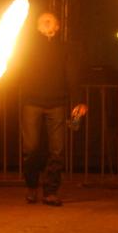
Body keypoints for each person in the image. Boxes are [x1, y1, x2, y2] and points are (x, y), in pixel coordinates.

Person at [18, 12, 87, 207]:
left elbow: (72, 76)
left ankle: (50, 191)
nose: (47, 24)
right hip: (31, 102)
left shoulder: (64, 49)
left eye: (51, 21)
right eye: (43, 21)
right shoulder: (27, 48)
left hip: (57, 103)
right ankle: (32, 186)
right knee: (31, 149)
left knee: (57, 150)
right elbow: (15, 69)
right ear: (37, 27)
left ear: (57, 27)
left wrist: (79, 101)